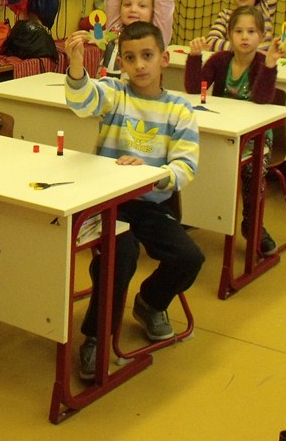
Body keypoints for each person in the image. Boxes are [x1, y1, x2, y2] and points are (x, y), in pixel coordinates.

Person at [64, 21, 203, 382]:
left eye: (147, 56)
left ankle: (150, 302)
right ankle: (96, 336)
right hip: (111, 204)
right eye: (130, 58)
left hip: (152, 202)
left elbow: (185, 166)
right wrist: (76, 65)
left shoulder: (180, 109)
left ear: (164, 59)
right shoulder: (115, 93)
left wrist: (151, 173)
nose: (139, 65)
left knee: (189, 257)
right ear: (121, 63)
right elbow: (81, 102)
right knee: (119, 257)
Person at [185, 6, 286, 256]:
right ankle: (194, 212)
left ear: (261, 36)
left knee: (252, 170)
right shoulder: (220, 61)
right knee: (189, 157)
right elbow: (194, 89)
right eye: (239, 31)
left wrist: (270, 64)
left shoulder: (262, 63)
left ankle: (253, 224)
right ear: (229, 35)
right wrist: (195, 57)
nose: (244, 37)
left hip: (256, 139)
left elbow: (262, 99)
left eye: (251, 31)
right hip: (225, 134)